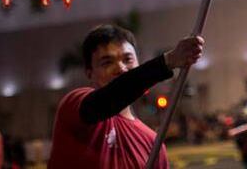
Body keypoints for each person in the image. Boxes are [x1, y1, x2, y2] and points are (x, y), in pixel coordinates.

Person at [47, 24, 204, 169]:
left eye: (128, 59)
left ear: (137, 64)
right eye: (107, 62)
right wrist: (167, 61)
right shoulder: (75, 105)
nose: (121, 68)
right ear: (89, 73)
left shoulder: (152, 143)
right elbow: (105, 100)